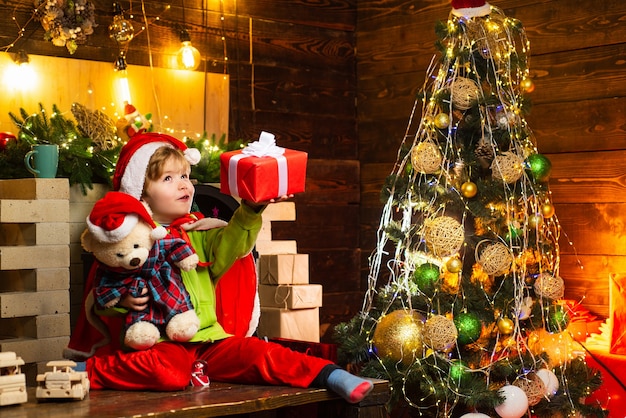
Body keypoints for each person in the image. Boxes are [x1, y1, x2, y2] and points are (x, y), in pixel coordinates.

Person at [65, 132, 374, 404]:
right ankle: (87, 371)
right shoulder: (131, 242)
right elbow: (106, 289)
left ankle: (331, 376)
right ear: (141, 193)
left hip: (209, 338)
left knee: (260, 354)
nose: (183, 185)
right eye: (168, 179)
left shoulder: (199, 232)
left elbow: (235, 245)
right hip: (160, 343)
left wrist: (252, 208)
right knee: (169, 374)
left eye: (185, 176)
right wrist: (124, 304)